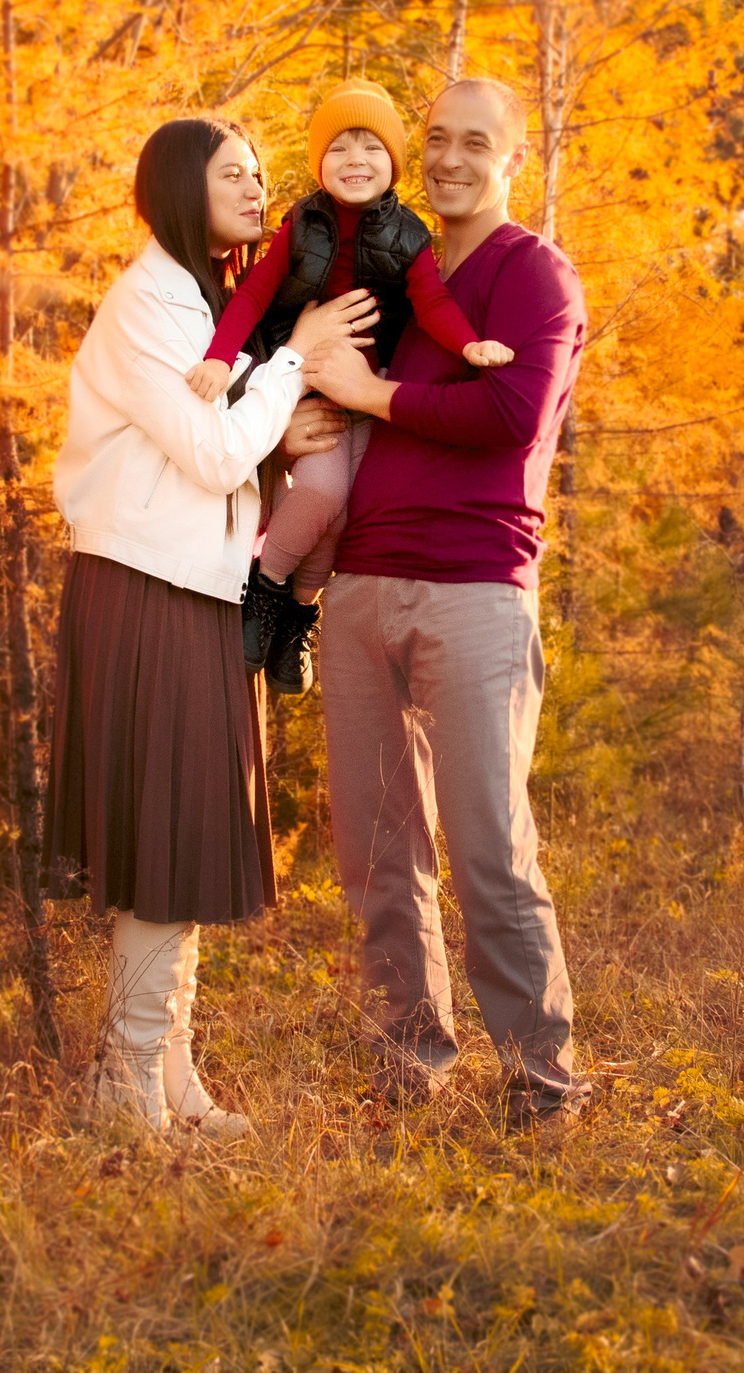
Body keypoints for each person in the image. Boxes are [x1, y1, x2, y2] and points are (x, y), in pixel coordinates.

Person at [47, 115, 374, 1140]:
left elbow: (230, 444)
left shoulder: (207, 300)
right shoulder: (146, 302)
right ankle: (125, 1081)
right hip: (147, 588)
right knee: (165, 837)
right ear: (178, 189)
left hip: (196, 585)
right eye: (232, 173)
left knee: (180, 836)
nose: (255, 185)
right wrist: (297, 365)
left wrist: (286, 428)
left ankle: (167, 1071)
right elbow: (207, 453)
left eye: (259, 173)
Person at [298, 76, 591, 1128]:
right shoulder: (396, 266)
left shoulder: (535, 276)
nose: (450, 158)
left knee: (485, 845)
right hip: (363, 581)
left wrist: (369, 393)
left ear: (514, 153)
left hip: (476, 588)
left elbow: (508, 413)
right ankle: (404, 1064)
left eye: (476, 141)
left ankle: (539, 1085)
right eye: (436, 140)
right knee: (377, 852)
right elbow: (310, 373)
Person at [180, 79, 514, 695]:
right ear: (319, 163)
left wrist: (468, 343)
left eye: (371, 147)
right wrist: (220, 359)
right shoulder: (300, 223)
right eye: (339, 147)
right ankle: (266, 589)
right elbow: (253, 295)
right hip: (305, 380)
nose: (355, 160)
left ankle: (298, 616)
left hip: (369, 388)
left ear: (393, 162)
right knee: (319, 494)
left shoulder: (410, 235)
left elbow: (431, 300)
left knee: (343, 515)